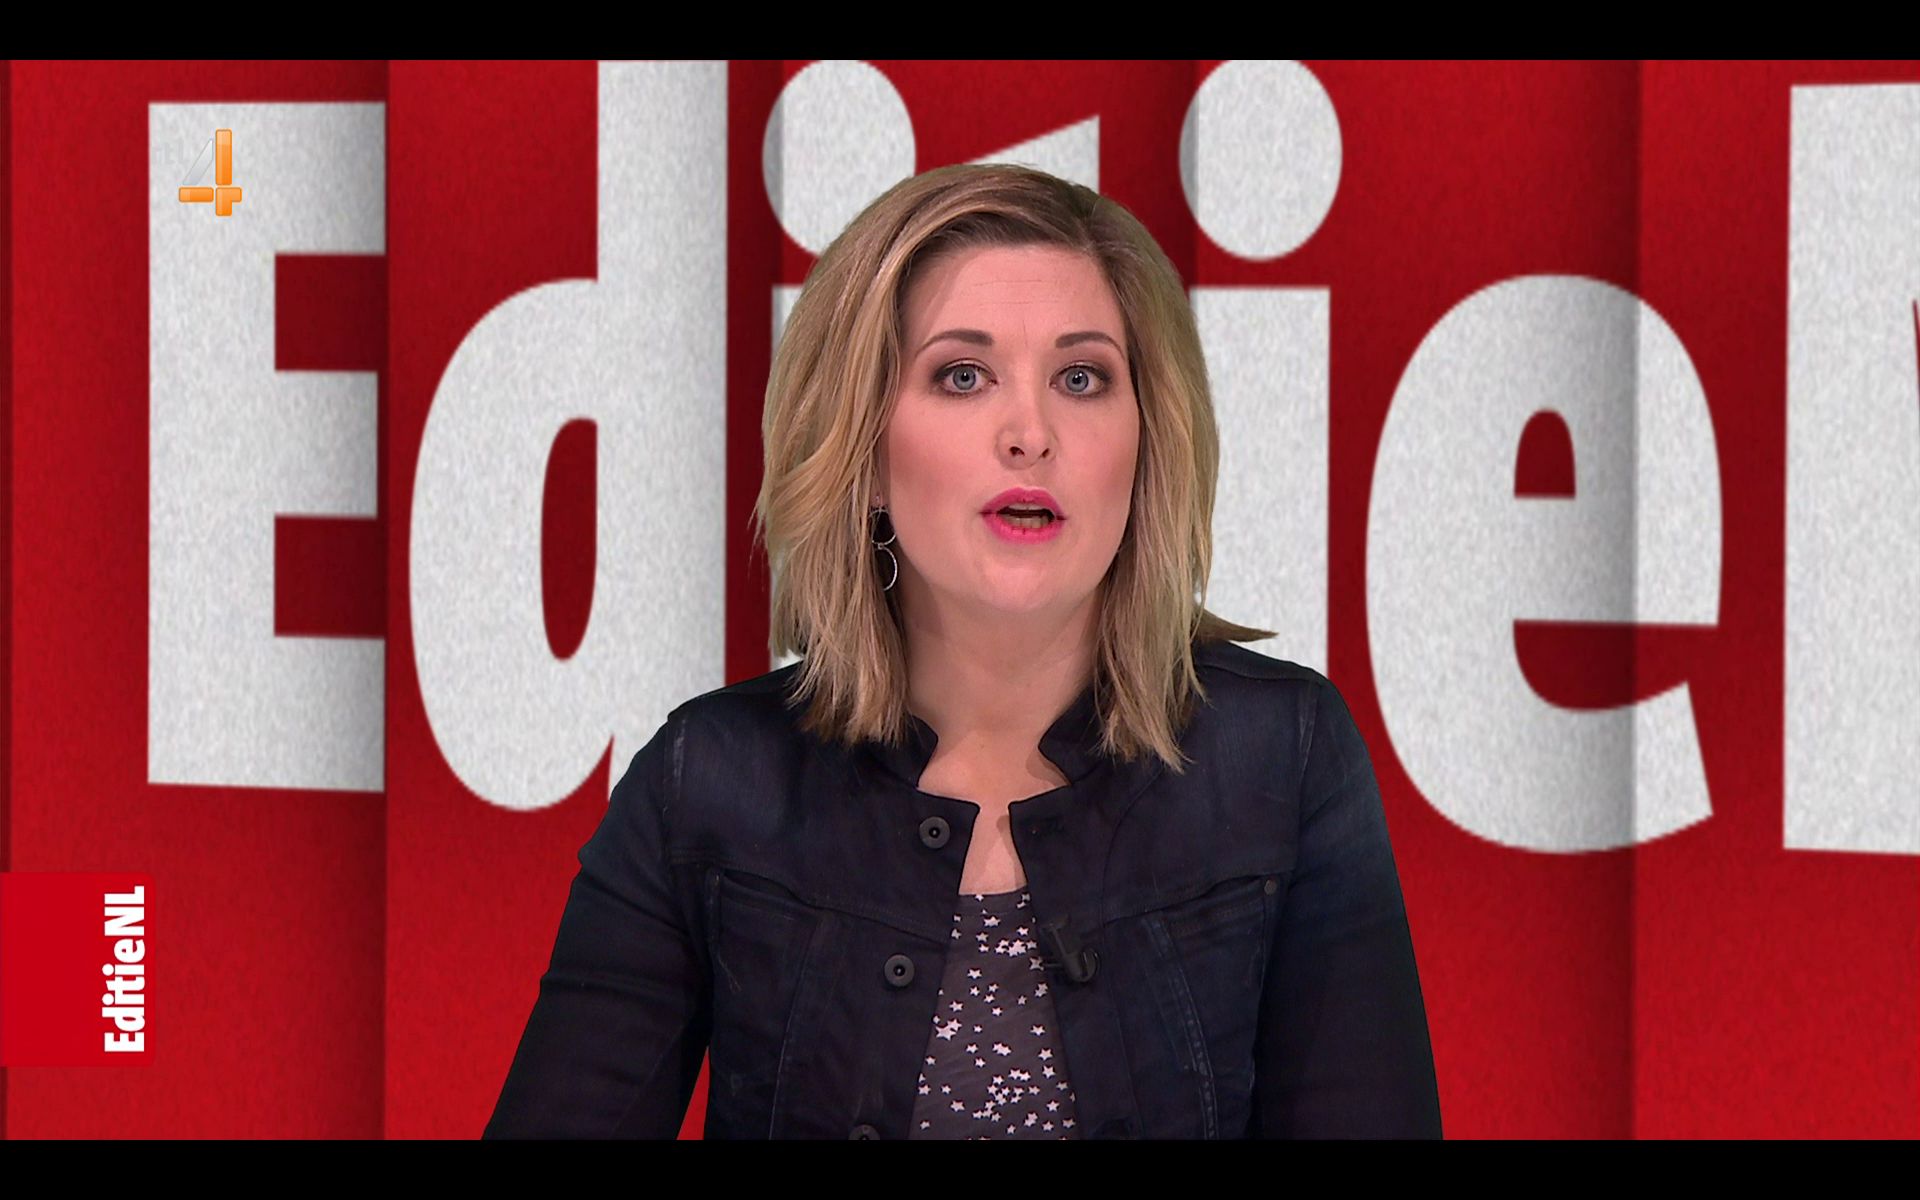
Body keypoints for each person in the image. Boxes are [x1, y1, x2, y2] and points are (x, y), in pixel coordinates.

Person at [484, 162, 1441, 1139]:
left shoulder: (1282, 757)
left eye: (1081, 378)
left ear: (1148, 443)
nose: (1030, 433)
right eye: (963, 376)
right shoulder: (710, 782)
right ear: (862, 454)